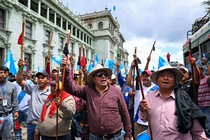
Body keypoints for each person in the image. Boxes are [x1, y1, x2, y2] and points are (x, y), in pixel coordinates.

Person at [62, 57, 132, 140]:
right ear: (93, 79)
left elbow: (125, 113)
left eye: (105, 74)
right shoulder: (87, 90)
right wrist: (66, 70)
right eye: (99, 75)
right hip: (95, 137)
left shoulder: (116, 91)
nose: (103, 76)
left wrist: (128, 134)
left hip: (115, 137)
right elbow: (70, 88)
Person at [139, 65, 208, 139]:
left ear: (175, 81)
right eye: (162, 75)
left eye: (170, 76)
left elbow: (198, 131)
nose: (166, 78)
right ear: (157, 80)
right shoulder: (149, 97)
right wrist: (142, 110)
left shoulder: (184, 99)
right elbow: (144, 119)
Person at [17, 59, 51, 140]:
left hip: (45, 124)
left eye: (43, 77)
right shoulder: (33, 88)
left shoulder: (51, 92)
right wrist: (20, 68)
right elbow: (19, 81)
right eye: (39, 78)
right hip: (32, 124)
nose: (40, 79)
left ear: (48, 80)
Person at [126, 62, 158, 139]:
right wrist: (132, 67)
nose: (145, 77)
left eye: (147, 76)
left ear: (152, 77)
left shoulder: (157, 88)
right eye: (143, 76)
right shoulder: (138, 85)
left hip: (153, 122)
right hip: (139, 122)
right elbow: (128, 82)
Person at [0, 66, 18, 139]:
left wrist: (16, 111)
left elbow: (14, 100)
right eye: (0, 73)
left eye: (3, 73)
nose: (2, 74)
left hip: (8, 116)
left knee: (7, 137)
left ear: (7, 74)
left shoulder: (12, 86)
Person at [14, 71, 33, 140]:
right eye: (22, 75)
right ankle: (18, 138)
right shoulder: (14, 84)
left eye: (24, 75)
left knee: (30, 127)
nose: (23, 76)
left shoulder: (30, 83)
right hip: (17, 109)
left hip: (27, 108)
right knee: (17, 126)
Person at [197, 56, 210, 138]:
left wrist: (206, 63)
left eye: (200, 69)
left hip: (207, 107)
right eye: (197, 69)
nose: (199, 71)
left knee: (208, 128)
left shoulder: (207, 79)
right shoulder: (194, 81)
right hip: (198, 107)